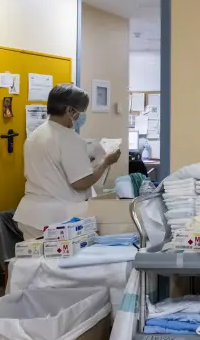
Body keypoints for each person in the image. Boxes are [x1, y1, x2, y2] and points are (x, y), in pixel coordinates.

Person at [13, 83, 122, 239]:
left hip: (31, 216)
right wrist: (105, 162)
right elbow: (81, 182)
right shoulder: (70, 139)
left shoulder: (35, 135)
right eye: (81, 111)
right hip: (58, 220)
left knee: (36, 255)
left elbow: (51, 168)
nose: (81, 116)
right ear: (70, 110)